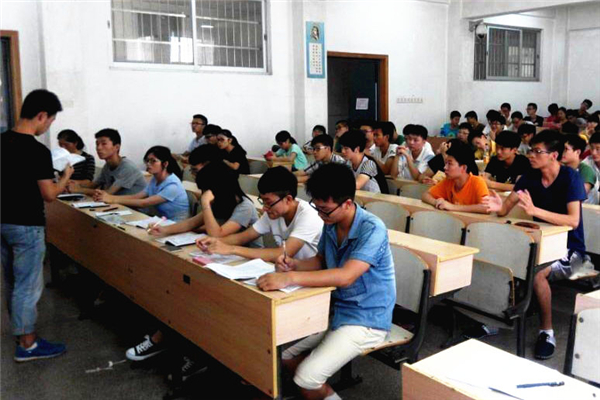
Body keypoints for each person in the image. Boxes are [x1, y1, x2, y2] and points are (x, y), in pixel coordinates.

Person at [257, 163, 395, 400]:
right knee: (285, 356)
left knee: (306, 378)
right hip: (338, 310)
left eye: (325, 210)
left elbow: (346, 276)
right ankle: (313, 386)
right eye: (317, 207)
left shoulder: (372, 229)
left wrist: (289, 277)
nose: (320, 215)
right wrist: (294, 264)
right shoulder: (332, 223)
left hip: (368, 317)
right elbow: (321, 260)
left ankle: (311, 383)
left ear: (347, 204)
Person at [126, 163, 261, 368]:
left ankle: (183, 347)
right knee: (179, 291)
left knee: (192, 297)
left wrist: (205, 203)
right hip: (220, 264)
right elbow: (191, 224)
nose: (202, 194)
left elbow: (216, 234)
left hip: (246, 270)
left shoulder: (244, 206)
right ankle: (171, 341)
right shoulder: (219, 203)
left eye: (205, 189)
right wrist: (164, 230)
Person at [484, 130, 587, 359]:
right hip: (540, 244)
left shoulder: (571, 177)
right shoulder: (529, 177)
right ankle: (496, 317)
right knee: (499, 258)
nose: (531, 155)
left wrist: (534, 211)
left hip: (570, 250)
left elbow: (573, 220)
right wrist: (498, 206)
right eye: (530, 150)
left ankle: (546, 332)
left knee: (537, 272)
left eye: (537, 151)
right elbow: (505, 208)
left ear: (554, 155)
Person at [1, 89, 72, 362]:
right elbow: (49, 195)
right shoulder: (37, 151)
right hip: (27, 225)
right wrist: (65, 176)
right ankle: (28, 345)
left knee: (12, 280)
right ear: (41, 115)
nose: (48, 127)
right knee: (28, 285)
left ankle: (20, 333)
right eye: (50, 121)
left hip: (3, 221)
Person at [197, 166, 323, 261]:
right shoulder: (273, 212)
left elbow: (283, 253)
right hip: (286, 270)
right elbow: (243, 237)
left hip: (309, 276)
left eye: (269, 202)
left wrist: (232, 249)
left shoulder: (309, 216)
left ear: (288, 199)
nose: (264, 208)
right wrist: (215, 241)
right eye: (263, 201)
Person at [93, 146, 190, 221]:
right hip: (161, 221)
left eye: (153, 161)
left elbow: (144, 203)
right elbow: (136, 197)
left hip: (177, 224)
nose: (148, 164)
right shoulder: (155, 179)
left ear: (165, 164)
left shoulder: (173, 185)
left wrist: (112, 199)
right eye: (147, 161)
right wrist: (109, 197)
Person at [68, 128, 147, 196]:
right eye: (97, 144)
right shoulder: (107, 166)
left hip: (134, 208)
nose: (98, 148)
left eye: (104, 144)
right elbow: (93, 185)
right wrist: (73, 183)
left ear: (116, 147)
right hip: (117, 205)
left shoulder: (127, 167)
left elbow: (108, 194)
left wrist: (79, 190)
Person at [422, 141, 490, 213]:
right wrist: (436, 202)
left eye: (450, 164)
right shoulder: (448, 181)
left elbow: (487, 207)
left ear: (463, 168)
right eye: (446, 163)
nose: (445, 167)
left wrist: (452, 207)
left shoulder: (477, 182)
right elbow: (426, 195)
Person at [339, 129, 385, 193]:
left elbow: (357, 185)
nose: (342, 151)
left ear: (357, 149)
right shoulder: (347, 163)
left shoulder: (369, 163)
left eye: (346, 148)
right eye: (342, 148)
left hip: (376, 198)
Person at [562, 134, 598, 205]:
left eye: (566, 149)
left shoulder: (586, 170)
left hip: (587, 209)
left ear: (578, 152)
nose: (562, 152)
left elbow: (579, 195)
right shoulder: (562, 168)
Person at [583, 132, 600, 205]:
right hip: (589, 207)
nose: (593, 153)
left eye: (598, 149)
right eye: (592, 148)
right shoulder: (585, 165)